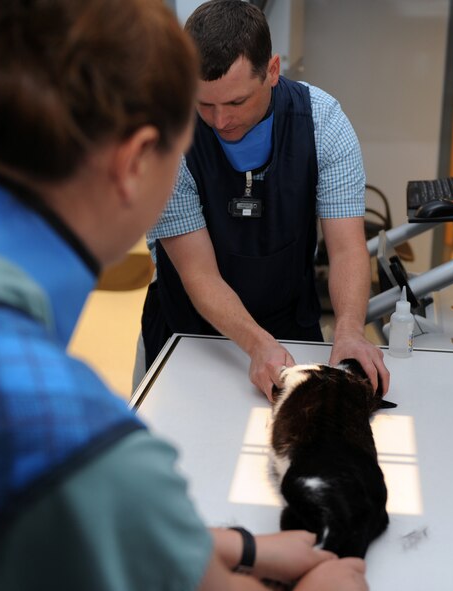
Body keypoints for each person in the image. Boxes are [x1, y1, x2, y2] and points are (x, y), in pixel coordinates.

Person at [0, 0, 368, 589]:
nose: (214, 126)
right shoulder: (66, 433)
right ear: (134, 163)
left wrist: (238, 545)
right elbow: (92, 495)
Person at [140, 0, 389, 399]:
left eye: (236, 102)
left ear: (272, 71)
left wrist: (349, 331)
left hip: (290, 326)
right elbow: (199, 274)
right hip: (189, 334)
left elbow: (346, 250)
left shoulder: (323, 125)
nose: (220, 121)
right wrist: (256, 344)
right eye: (204, 104)